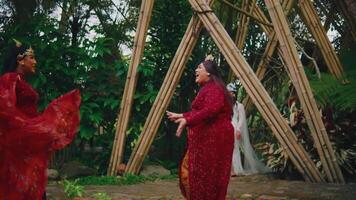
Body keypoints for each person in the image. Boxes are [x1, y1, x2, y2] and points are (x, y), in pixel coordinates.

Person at [0, 40, 81, 200]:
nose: (35, 61)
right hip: (18, 142)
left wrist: (39, 126)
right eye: (32, 57)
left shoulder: (21, 81)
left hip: (27, 140)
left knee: (31, 183)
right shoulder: (9, 79)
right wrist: (28, 127)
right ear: (20, 60)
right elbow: (4, 109)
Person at [167, 56, 234, 200]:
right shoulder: (208, 88)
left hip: (215, 139)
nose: (196, 70)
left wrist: (188, 119)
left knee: (209, 175)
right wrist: (182, 115)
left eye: (199, 68)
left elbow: (211, 110)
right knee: (195, 174)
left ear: (209, 73)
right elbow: (201, 111)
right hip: (208, 139)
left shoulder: (215, 89)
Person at [226, 82, 271, 176]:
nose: (231, 94)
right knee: (226, 148)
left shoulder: (239, 106)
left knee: (234, 148)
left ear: (235, 93)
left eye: (232, 92)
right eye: (229, 92)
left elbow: (241, 119)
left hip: (234, 128)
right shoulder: (225, 105)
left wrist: (238, 130)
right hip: (225, 127)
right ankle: (229, 170)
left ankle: (237, 169)